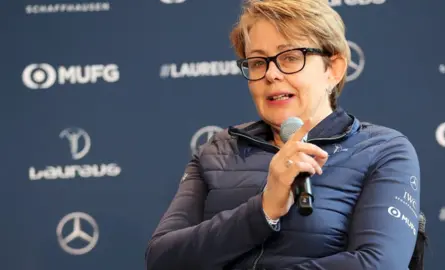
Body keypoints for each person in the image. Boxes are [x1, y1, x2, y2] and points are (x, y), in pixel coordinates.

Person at [145, 0, 424, 269]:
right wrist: (264, 209)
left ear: (334, 69)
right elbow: (162, 258)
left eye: (290, 57)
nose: (271, 74)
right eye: (257, 62)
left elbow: (379, 263)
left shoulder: (382, 150)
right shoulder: (217, 151)